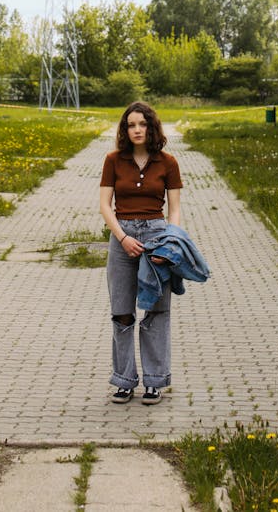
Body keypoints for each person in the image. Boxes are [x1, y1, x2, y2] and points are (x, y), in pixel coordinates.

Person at [99, 100, 182, 405]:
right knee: (121, 312)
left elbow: (174, 210)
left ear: (151, 127)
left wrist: (168, 246)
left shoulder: (168, 163)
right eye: (131, 125)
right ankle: (123, 381)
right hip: (122, 238)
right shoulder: (113, 160)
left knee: (157, 311)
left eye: (142, 124)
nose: (136, 130)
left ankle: (154, 382)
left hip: (156, 237)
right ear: (125, 129)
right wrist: (121, 238)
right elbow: (104, 206)